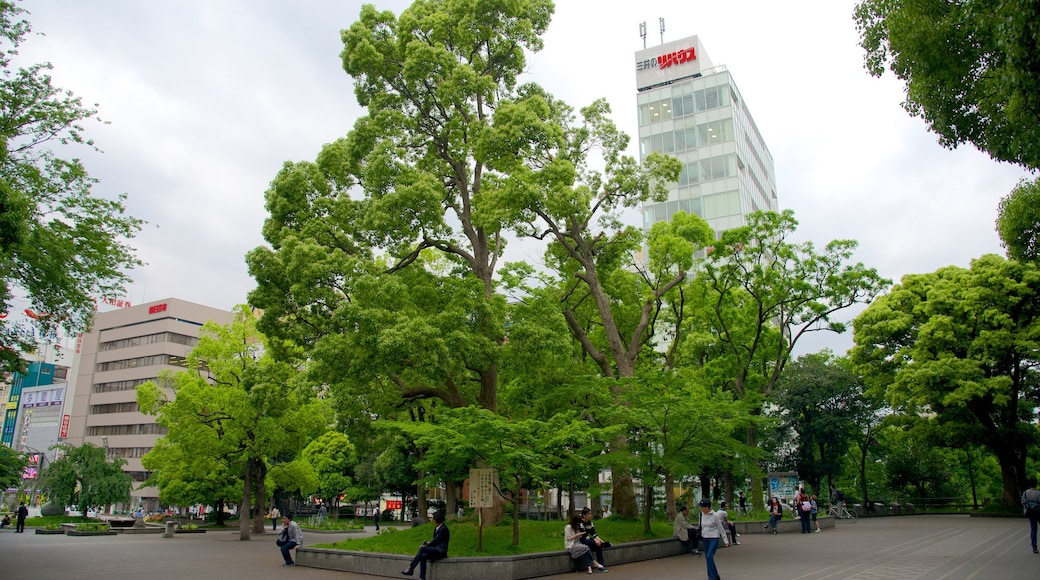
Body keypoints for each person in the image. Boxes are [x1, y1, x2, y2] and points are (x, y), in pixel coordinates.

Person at [401, 510, 449, 580]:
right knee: (423, 556)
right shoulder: (437, 528)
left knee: (422, 549)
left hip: (441, 551)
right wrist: (427, 543)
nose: (432, 520)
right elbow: (436, 541)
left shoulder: (443, 529)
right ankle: (422, 577)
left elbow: (435, 541)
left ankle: (411, 569)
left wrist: (425, 546)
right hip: (436, 549)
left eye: (433, 519)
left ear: (436, 520)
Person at [697, 498, 729, 580]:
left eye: (702, 507)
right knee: (708, 557)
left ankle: (711, 577)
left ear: (707, 507)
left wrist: (725, 540)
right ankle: (715, 576)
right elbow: (700, 526)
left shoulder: (715, 515)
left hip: (714, 538)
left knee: (709, 556)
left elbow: (720, 528)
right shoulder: (701, 515)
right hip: (705, 538)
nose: (701, 508)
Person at [1022, 477, 1040, 554]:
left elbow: (1023, 502)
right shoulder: (1038, 493)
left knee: (1033, 529)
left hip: (1030, 512)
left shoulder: (1025, 493)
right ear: (1036, 484)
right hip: (1039, 512)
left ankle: (1034, 547)